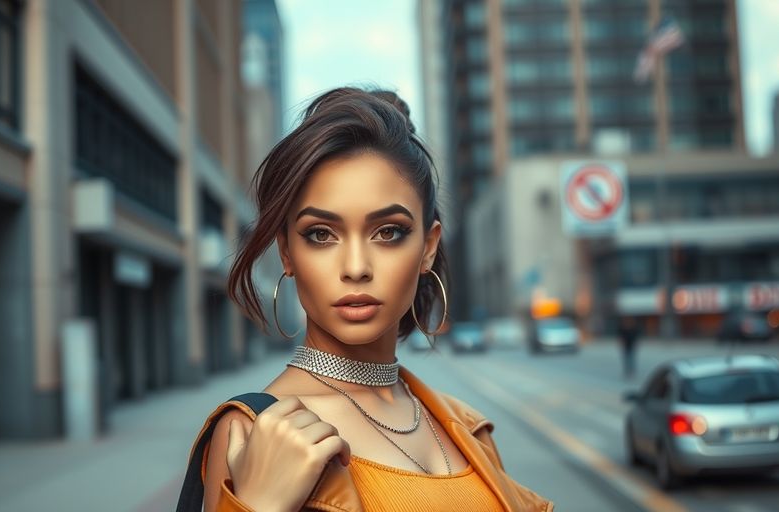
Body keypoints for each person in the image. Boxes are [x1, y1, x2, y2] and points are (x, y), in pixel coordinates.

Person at [190, 88, 552, 511]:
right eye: (321, 234)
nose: (356, 266)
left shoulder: (469, 429)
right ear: (287, 252)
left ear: (428, 247)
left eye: (389, 231)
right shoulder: (252, 430)